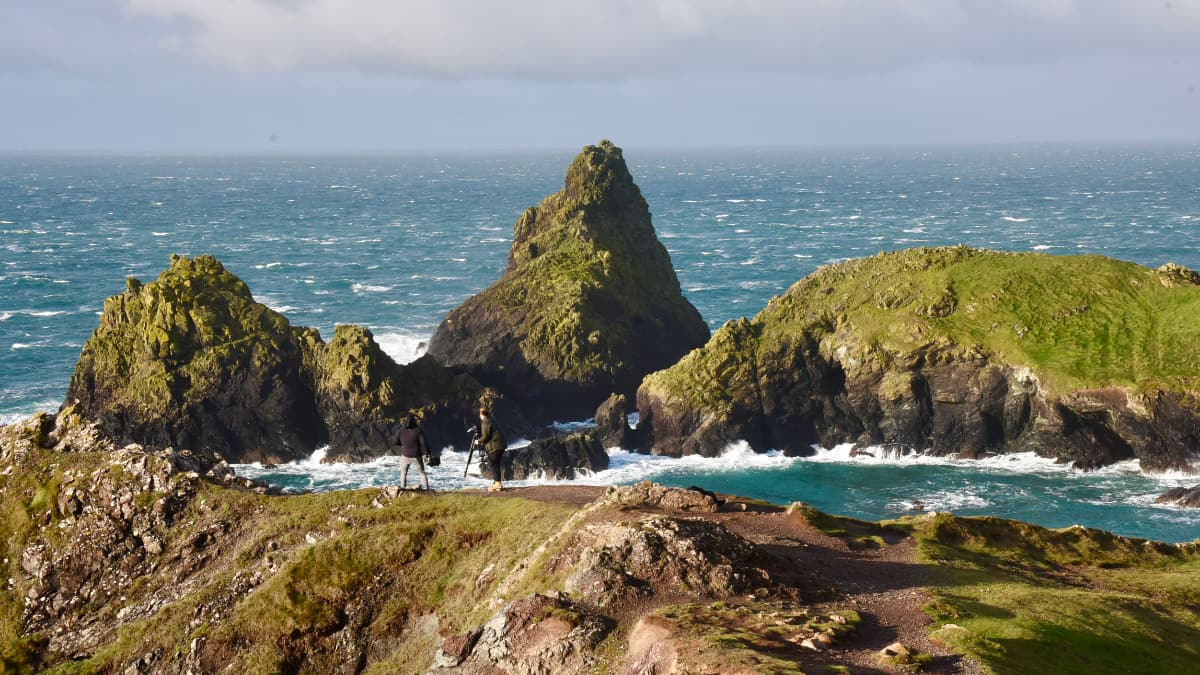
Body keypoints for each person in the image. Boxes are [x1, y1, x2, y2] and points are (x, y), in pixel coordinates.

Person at [395, 414, 431, 491]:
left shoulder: (401, 430)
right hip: (416, 456)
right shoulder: (418, 430)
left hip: (405, 455)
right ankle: (427, 489)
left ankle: (402, 489)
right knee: (422, 473)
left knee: (403, 473)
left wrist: (404, 445)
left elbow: (396, 441)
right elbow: (424, 443)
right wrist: (427, 453)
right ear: (414, 421)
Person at [476, 407, 506, 492]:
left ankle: (497, 483)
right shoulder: (491, 420)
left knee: (492, 463)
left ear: (481, 414)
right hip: (501, 445)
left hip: (495, 446)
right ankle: (497, 484)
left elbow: (486, 436)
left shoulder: (485, 422)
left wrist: (478, 441)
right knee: (495, 464)